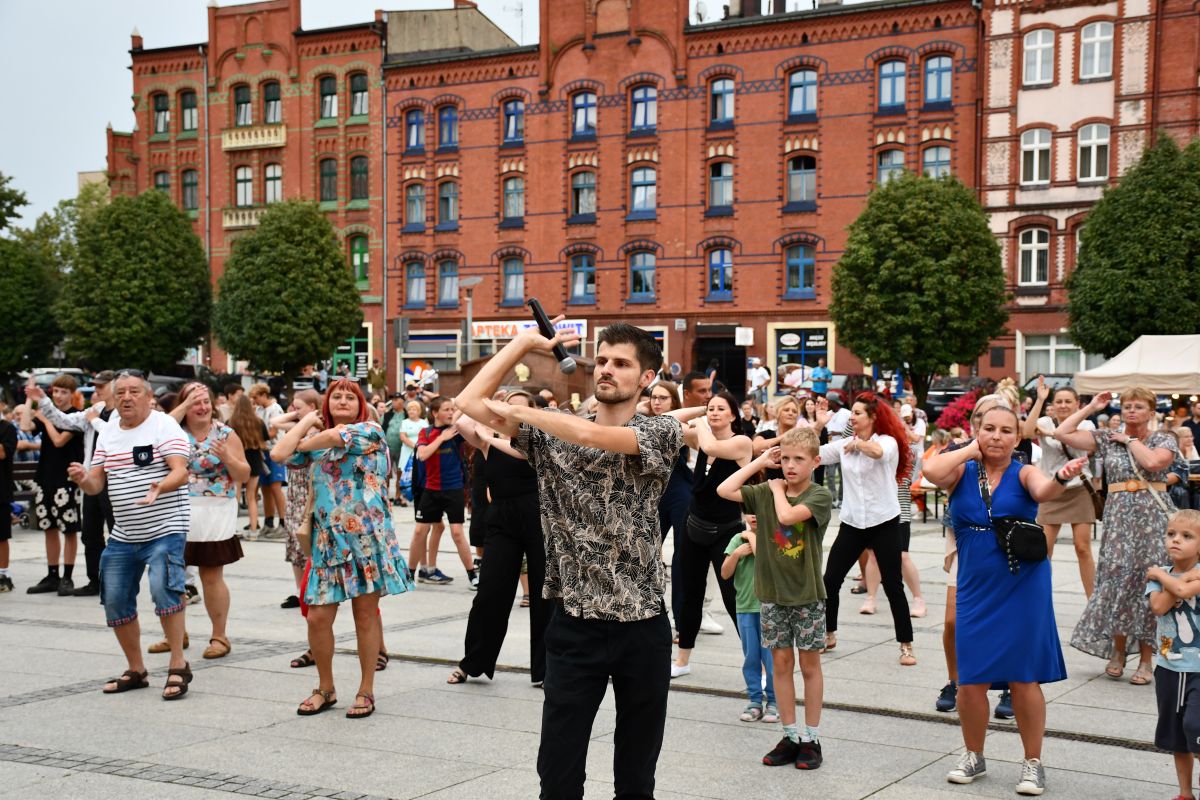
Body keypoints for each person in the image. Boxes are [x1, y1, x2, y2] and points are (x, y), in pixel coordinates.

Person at [455, 320, 683, 800]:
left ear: (646, 379)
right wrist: (523, 342)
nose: (606, 370)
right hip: (574, 624)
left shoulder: (661, 429)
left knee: (637, 778)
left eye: (621, 364)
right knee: (557, 775)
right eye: (601, 360)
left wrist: (528, 416)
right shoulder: (553, 434)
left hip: (641, 624)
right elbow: (469, 405)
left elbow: (593, 436)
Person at [922, 403, 1086, 794]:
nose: (997, 436)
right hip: (976, 586)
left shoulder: (1024, 470)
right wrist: (969, 449)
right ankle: (973, 754)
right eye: (989, 428)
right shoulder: (961, 469)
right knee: (970, 679)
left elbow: (1043, 490)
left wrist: (1062, 476)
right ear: (977, 430)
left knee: (1023, 676)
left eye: (1006, 431)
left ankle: (1033, 763)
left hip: (1022, 583)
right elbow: (929, 472)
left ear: (1018, 437)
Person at [271, 378, 414, 718]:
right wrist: (306, 420)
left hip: (366, 540)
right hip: (327, 542)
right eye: (337, 396)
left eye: (351, 396)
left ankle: (366, 690)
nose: (344, 400)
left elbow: (332, 438)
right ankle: (325, 687)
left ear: (362, 404)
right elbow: (278, 454)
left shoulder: (370, 430)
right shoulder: (315, 442)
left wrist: (306, 436)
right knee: (318, 617)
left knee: (365, 616)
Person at [68, 371, 193, 699]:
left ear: (148, 396)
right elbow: (97, 483)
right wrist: (84, 479)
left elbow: (180, 470)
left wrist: (159, 486)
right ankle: (136, 669)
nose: (126, 397)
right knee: (114, 597)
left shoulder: (163, 425)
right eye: (120, 392)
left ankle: (178, 665)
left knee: (163, 587)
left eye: (134, 391)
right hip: (124, 533)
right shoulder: (107, 432)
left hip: (166, 527)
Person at [719, 426, 832, 769]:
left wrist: (776, 487)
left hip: (807, 595)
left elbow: (786, 516)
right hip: (771, 595)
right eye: (785, 459)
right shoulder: (768, 488)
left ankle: (811, 737)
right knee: (781, 665)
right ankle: (790, 734)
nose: (790, 466)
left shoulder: (819, 495)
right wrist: (759, 464)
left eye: (799, 459)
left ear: (815, 461)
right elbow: (725, 489)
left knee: (809, 666)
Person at [1057, 388, 1178, 686]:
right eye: (1126, 407)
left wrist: (1131, 440)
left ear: (1151, 412)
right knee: (1116, 581)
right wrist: (1092, 407)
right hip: (1119, 519)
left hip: (1152, 520)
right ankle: (1118, 651)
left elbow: (1152, 464)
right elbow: (1062, 432)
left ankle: (1148, 660)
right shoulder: (1106, 439)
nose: (1131, 411)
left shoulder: (1164, 438)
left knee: (1149, 583)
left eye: (1138, 407)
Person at [447, 391, 548, 686]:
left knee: (545, 596)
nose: (512, 414)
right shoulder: (487, 439)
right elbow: (461, 419)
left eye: (520, 409)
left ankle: (546, 670)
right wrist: (491, 397)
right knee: (490, 593)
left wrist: (491, 434)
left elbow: (519, 450)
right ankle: (472, 662)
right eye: (508, 408)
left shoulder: (538, 441)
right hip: (502, 521)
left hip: (538, 518)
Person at [816, 393, 917, 664]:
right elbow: (815, 454)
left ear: (872, 417)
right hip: (852, 523)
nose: (852, 417)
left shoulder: (888, 441)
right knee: (830, 580)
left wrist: (859, 446)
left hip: (884, 522)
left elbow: (878, 452)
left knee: (893, 584)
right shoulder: (844, 444)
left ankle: (906, 645)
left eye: (858, 413)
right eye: (852, 412)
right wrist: (818, 425)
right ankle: (828, 633)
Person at [163, 382, 250, 659]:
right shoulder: (173, 432)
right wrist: (185, 404)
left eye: (205, 402)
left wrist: (227, 458)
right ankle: (175, 635)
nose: (201, 407)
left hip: (215, 509)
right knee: (173, 575)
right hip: (177, 507)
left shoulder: (225, 434)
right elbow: (160, 428)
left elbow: (244, 474)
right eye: (194, 402)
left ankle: (219, 636)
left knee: (211, 575)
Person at [670, 391, 754, 679]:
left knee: (735, 599)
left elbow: (711, 446)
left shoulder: (741, 443)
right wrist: (699, 410)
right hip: (693, 525)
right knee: (689, 596)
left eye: (721, 409)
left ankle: (757, 662)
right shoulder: (700, 435)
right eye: (712, 408)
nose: (715, 413)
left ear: (733, 415)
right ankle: (683, 660)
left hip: (726, 531)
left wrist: (702, 420)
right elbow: (667, 421)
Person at [27, 371, 117, 597]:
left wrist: (94, 421)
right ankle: (94, 580)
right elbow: (64, 420)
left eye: (101, 386)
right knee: (90, 534)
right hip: (90, 478)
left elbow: (115, 435)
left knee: (117, 533)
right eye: (96, 385)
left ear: (115, 386)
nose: (97, 390)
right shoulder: (94, 410)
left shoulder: (119, 413)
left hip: (114, 479)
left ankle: (117, 581)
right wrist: (42, 399)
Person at [1023, 378, 1098, 597]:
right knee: (1044, 549)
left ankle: (1092, 600)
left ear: (1077, 404)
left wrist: (1050, 434)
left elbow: (1074, 440)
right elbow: (1027, 433)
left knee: (1082, 547)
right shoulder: (1045, 421)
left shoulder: (1086, 424)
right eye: (1059, 401)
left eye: (1068, 401)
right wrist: (1040, 400)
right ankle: (1039, 597)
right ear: (1053, 405)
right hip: (1051, 488)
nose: (1063, 405)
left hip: (1079, 488)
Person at [1146, 509, 1200, 800]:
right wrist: (1171, 579)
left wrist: (1161, 575)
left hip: (1199, 670)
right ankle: (1185, 793)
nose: (1175, 540)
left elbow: (1180, 587)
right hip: (1169, 667)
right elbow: (1159, 606)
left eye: (1187, 536)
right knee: (1178, 737)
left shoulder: (1161, 574)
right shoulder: (1162, 577)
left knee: (1196, 728)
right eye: (1171, 534)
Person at [27, 374, 85, 595]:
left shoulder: (74, 417)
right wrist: (29, 400)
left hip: (67, 479)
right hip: (45, 476)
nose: (59, 396)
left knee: (68, 529)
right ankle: (52, 574)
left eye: (63, 392)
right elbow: (24, 425)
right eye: (56, 391)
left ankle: (67, 576)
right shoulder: (46, 414)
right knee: (48, 527)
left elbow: (59, 441)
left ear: (72, 394)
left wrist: (45, 420)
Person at [410, 396, 476, 587]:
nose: (450, 413)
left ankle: (472, 575)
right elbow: (422, 455)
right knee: (419, 531)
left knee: (457, 532)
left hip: (453, 489)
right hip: (430, 490)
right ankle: (410, 574)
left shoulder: (457, 432)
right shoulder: (426, 432)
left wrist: (460, 406)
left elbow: (466, 415)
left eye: (451, 409)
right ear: (434, 413)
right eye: (446, 409)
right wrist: (441, 438)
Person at [719, 513, 777, 724]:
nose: (755, 516)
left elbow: (766, 561)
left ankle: (774, 701)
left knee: (772, 660)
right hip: (744, 607)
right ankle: (754, 700)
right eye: (750, 512)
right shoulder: (737, 540)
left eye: (761, 511)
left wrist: (751, 537)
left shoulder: (775, 536)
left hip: (770, 608)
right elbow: (725, 573)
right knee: (751, 657)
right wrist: (736, 554)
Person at [270, 389, 323, 614]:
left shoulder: (318, 434)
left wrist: (310, 419)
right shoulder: (297, 430)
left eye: (298, 407)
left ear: (312, 407)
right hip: (294, 496)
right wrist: (300, 417)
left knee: (307, 547)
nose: (292, 411)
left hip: (307, 497)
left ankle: (314, 592)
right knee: (294, 548)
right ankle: (300, 591)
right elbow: (274, 421)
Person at [250, 384, 287, 538]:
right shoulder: (258, 410)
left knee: (275, 487)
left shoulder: (275, 408)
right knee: (265, 488)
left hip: (275, 451)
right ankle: (269, 522)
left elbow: (272, 432)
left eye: (256, 397)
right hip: (263, 451)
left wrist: (256, 439)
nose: (255, 400)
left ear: (264, 395)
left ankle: (284, 523)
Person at [226, 396, 267, 536]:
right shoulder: (258, 422)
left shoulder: (230, 422)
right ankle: (254, 529)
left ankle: (231, 528)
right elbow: (265, 439)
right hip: (255, 460)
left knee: (235, 496)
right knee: (252, 497)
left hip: (237, 460)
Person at [0, 410, 16, 592]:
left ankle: (4, 573)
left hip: (1, 490)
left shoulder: (7, 428)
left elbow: (3, 453)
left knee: (2, 535)